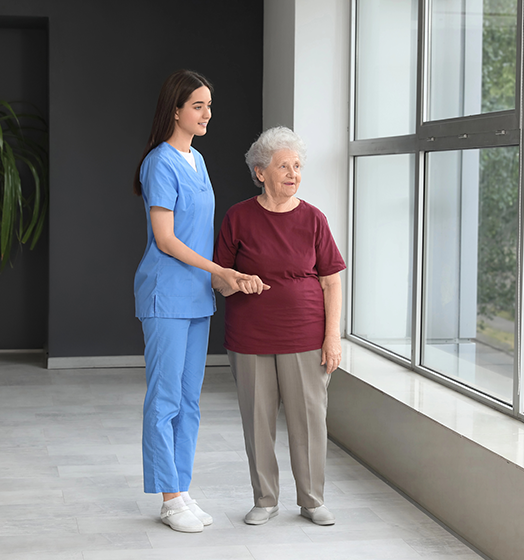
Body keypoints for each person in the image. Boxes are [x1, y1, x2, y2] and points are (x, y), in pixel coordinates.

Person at [132, 70, 267, 533]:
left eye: (209, 105)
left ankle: (182, 489)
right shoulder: (159, 163)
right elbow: (167, 240)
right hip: (166, 293)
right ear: (175, 110)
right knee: (165, 397)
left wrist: (222, 277)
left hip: (196, 296)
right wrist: (221, 272)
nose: (207, 114)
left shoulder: (198, 160)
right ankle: (168, 499)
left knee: (190, 399)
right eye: (197, 106)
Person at [213, 126, 346, 527]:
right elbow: (218, 277)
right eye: (283, 166)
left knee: (309, 421)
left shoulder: (313, 219)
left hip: (305, 336)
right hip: (249, 337)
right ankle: (265, 499)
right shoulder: (238, 216)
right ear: (260, 173)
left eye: (297, 166)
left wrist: (332, 336)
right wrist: (235, 279)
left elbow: (331, 280)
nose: (293, 173)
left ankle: (311, 500)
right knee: (258, 421)